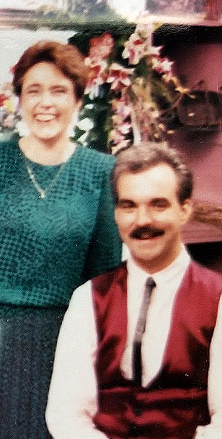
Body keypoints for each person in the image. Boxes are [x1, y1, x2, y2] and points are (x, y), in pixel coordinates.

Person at [0, 40, 123, 438]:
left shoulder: (101, 171)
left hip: (60, 342)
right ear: (19, 99)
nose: (45, 102)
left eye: (58, 91)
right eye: (33, 90)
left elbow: (105, 280)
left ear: (77, 99)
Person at [47, 143, 222, 439]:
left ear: (185, 210)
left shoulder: (217, 298)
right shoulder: (88, 299)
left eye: (158, 204)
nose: (142, 221)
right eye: (129, 205)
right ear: (116, 214)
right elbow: (66, 413)